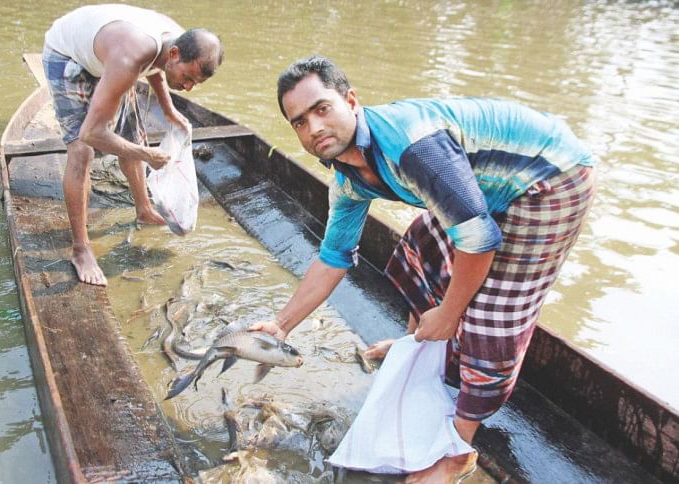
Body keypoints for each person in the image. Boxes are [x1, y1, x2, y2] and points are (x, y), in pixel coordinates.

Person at [251, 55, 596, 482]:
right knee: (422, 244)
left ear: (351, 101)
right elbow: (333, 257)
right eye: (300, 123)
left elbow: (480, 242)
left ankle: (456, 450)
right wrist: (281, 325)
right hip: (486, 182)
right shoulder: (347, 178)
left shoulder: (413, 149)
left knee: (493, 314)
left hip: (550, 177)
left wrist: (450, 313)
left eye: (322, 109)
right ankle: (416, 345)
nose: (315, 128)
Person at [42, 4, 224, 285]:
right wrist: (146, 154)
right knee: (81, 151)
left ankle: (143, 209)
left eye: (194, 83)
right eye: (187, 78)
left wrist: (169, 110)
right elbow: (91, 133)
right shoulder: (131, 56)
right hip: (68, 57)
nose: (188, 87)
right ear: (175, 53)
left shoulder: (176, 41)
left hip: (112, 56)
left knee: (132, 132)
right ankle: (80, 249)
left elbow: (156, 67)